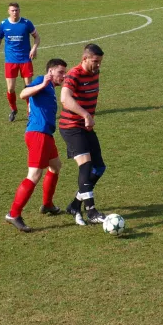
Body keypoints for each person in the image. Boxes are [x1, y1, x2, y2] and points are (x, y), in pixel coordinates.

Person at [5, 58, 68, 232]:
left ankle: (47, 204)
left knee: (55, 166)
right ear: (51, 71)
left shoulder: (50, 88)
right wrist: (42, 84)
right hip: (37, 134)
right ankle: (14, 213)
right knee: (34, 175)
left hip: (46, 134)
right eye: (60, 72)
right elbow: (23, 94)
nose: (63, 75)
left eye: (64, 72)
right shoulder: (42, 80)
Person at [59, 43, 107, 226]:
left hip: (86, 128)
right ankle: (91, 211)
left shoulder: (95, 72)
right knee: (86, 165)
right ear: (84, 59)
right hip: (71, 127)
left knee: (99, 168)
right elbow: (65, 98)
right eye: (95, 61)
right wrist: (86, 114)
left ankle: (74, 205)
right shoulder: (74, 74)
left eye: (100, 62)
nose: (98, 65)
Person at [0, 2, 40, 122]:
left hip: (25, 60)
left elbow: (37, 37)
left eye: (16, 10)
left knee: (28, 86)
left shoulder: (26, 23)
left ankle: (30, 111)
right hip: (10, 60)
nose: (15, 12)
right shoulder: (3, 24)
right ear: (8, 11)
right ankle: (13, 109)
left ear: (19, 11)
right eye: (12, 10)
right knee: (11, 88)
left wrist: (34, 48)